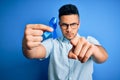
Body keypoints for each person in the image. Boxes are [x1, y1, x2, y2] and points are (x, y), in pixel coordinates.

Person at [22, 4, 108, 80]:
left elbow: (103, 57)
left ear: (79, 24)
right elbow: (32, 53)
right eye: (64, 25)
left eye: (73, 24)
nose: (69, 29)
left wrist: (94, 49)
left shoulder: (89, 41)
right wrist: (27, 46)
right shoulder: (52, 43)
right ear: (59, 25)